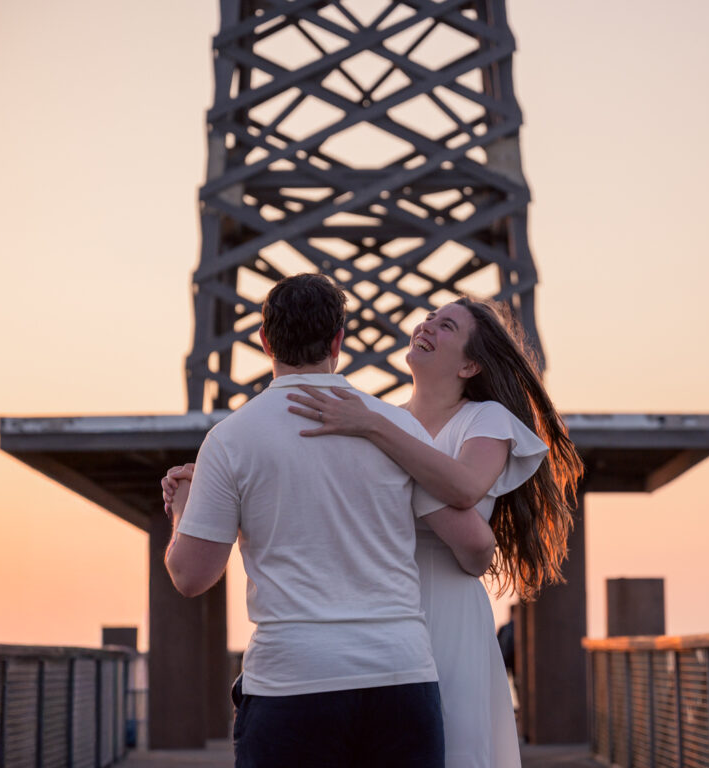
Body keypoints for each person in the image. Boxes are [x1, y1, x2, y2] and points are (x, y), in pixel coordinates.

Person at [162, 273, 497, 768]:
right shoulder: (394, 427)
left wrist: (183, 507)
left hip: (292, 681)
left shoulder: (232, 438)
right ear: (338, 339)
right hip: (400, 675)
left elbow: (191, 576)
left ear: (264, 341)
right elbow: (475, 548)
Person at [281, 297, 583, 768]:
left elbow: (464, 488)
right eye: (428, 318)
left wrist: (373, 428)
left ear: (469, 365)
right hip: (381, 611)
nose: (427, 325)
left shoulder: (484, 420)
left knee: (456, 745)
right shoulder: (383, 419)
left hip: (449, 607)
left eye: (446, 326)